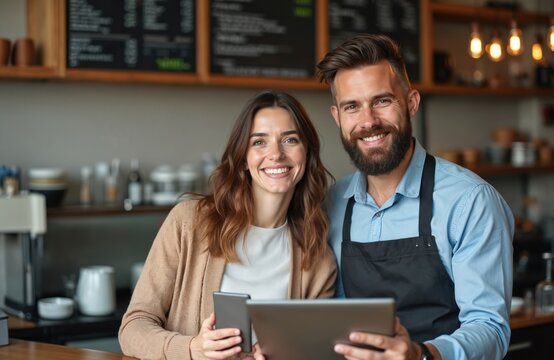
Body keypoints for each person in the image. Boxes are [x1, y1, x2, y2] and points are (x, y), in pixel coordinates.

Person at [316, 34, 514, 360]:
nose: (368, 121)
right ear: (338, 117)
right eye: (353, 106)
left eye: (382, 101)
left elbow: (490, 328)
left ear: (411, 103)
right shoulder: (331, 205)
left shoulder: (470, 201)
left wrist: (420, 354)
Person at [118, 90, 337, 360]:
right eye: (259, 142)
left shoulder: (319, 261)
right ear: (243, 158)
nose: (276, 154)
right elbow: (132, 328)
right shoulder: (188, 223)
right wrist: (191, 349)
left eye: (290, 140)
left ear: (307, 152)